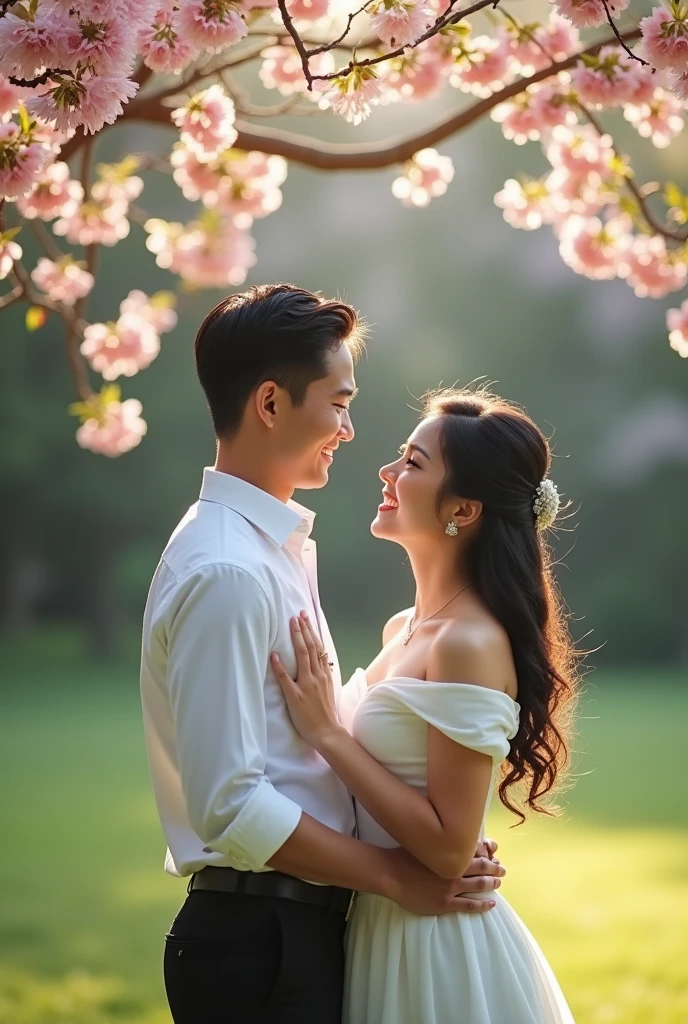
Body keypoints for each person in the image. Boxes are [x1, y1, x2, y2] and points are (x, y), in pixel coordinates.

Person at [139, 284, 505, 1024]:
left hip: (298, 928)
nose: (348, 428)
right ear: (271, 404)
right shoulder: (229, 571)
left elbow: (298, 756)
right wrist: (399, 877)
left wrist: (434, 836)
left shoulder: (272, 552)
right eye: (338, 403)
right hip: (256, 943)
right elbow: (230, 805)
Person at [271, 385, 580, 1024]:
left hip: (436, 946)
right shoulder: (403, 627)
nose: (387, 472)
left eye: (412, 464)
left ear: (463, 510)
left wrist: (330, 734)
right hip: (380, 922)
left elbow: (446, 849)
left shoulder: (469, 641)